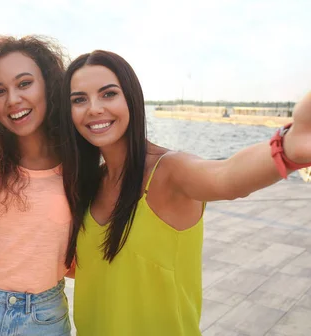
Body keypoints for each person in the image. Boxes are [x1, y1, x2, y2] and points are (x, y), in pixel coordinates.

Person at [59, 50, 311, 336]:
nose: (93, 108)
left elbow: (225, 177)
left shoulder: (168, 171)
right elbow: (90, 268)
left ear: (131, 99)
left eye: (108, 94)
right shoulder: (92, 182)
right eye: (79, 99)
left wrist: (287, 148)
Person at [0, 35, 73, 335]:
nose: (13, 100)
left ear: (48, 84)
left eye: (24, 84)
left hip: (43, 317)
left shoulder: (78, 162)